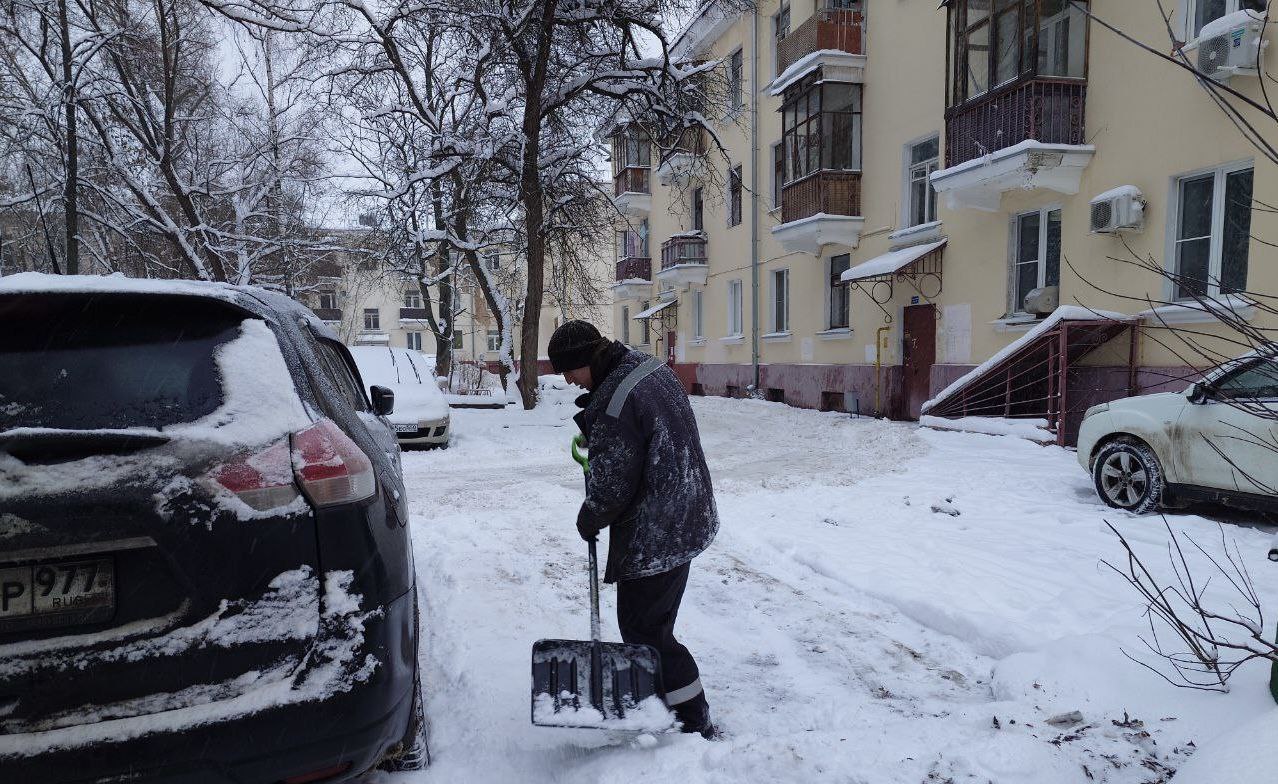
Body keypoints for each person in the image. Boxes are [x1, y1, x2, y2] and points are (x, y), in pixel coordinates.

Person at [547, 319, 719, 738]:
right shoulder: (646, 367)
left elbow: (612, 487)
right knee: (654, 623)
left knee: (646, 630)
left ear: (586, 360)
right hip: (688, 511)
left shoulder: (613, 402)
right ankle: (663, 696)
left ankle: (692, 719)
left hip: (658, 531)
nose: (569, 381)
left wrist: (590, 516)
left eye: (569, 370)